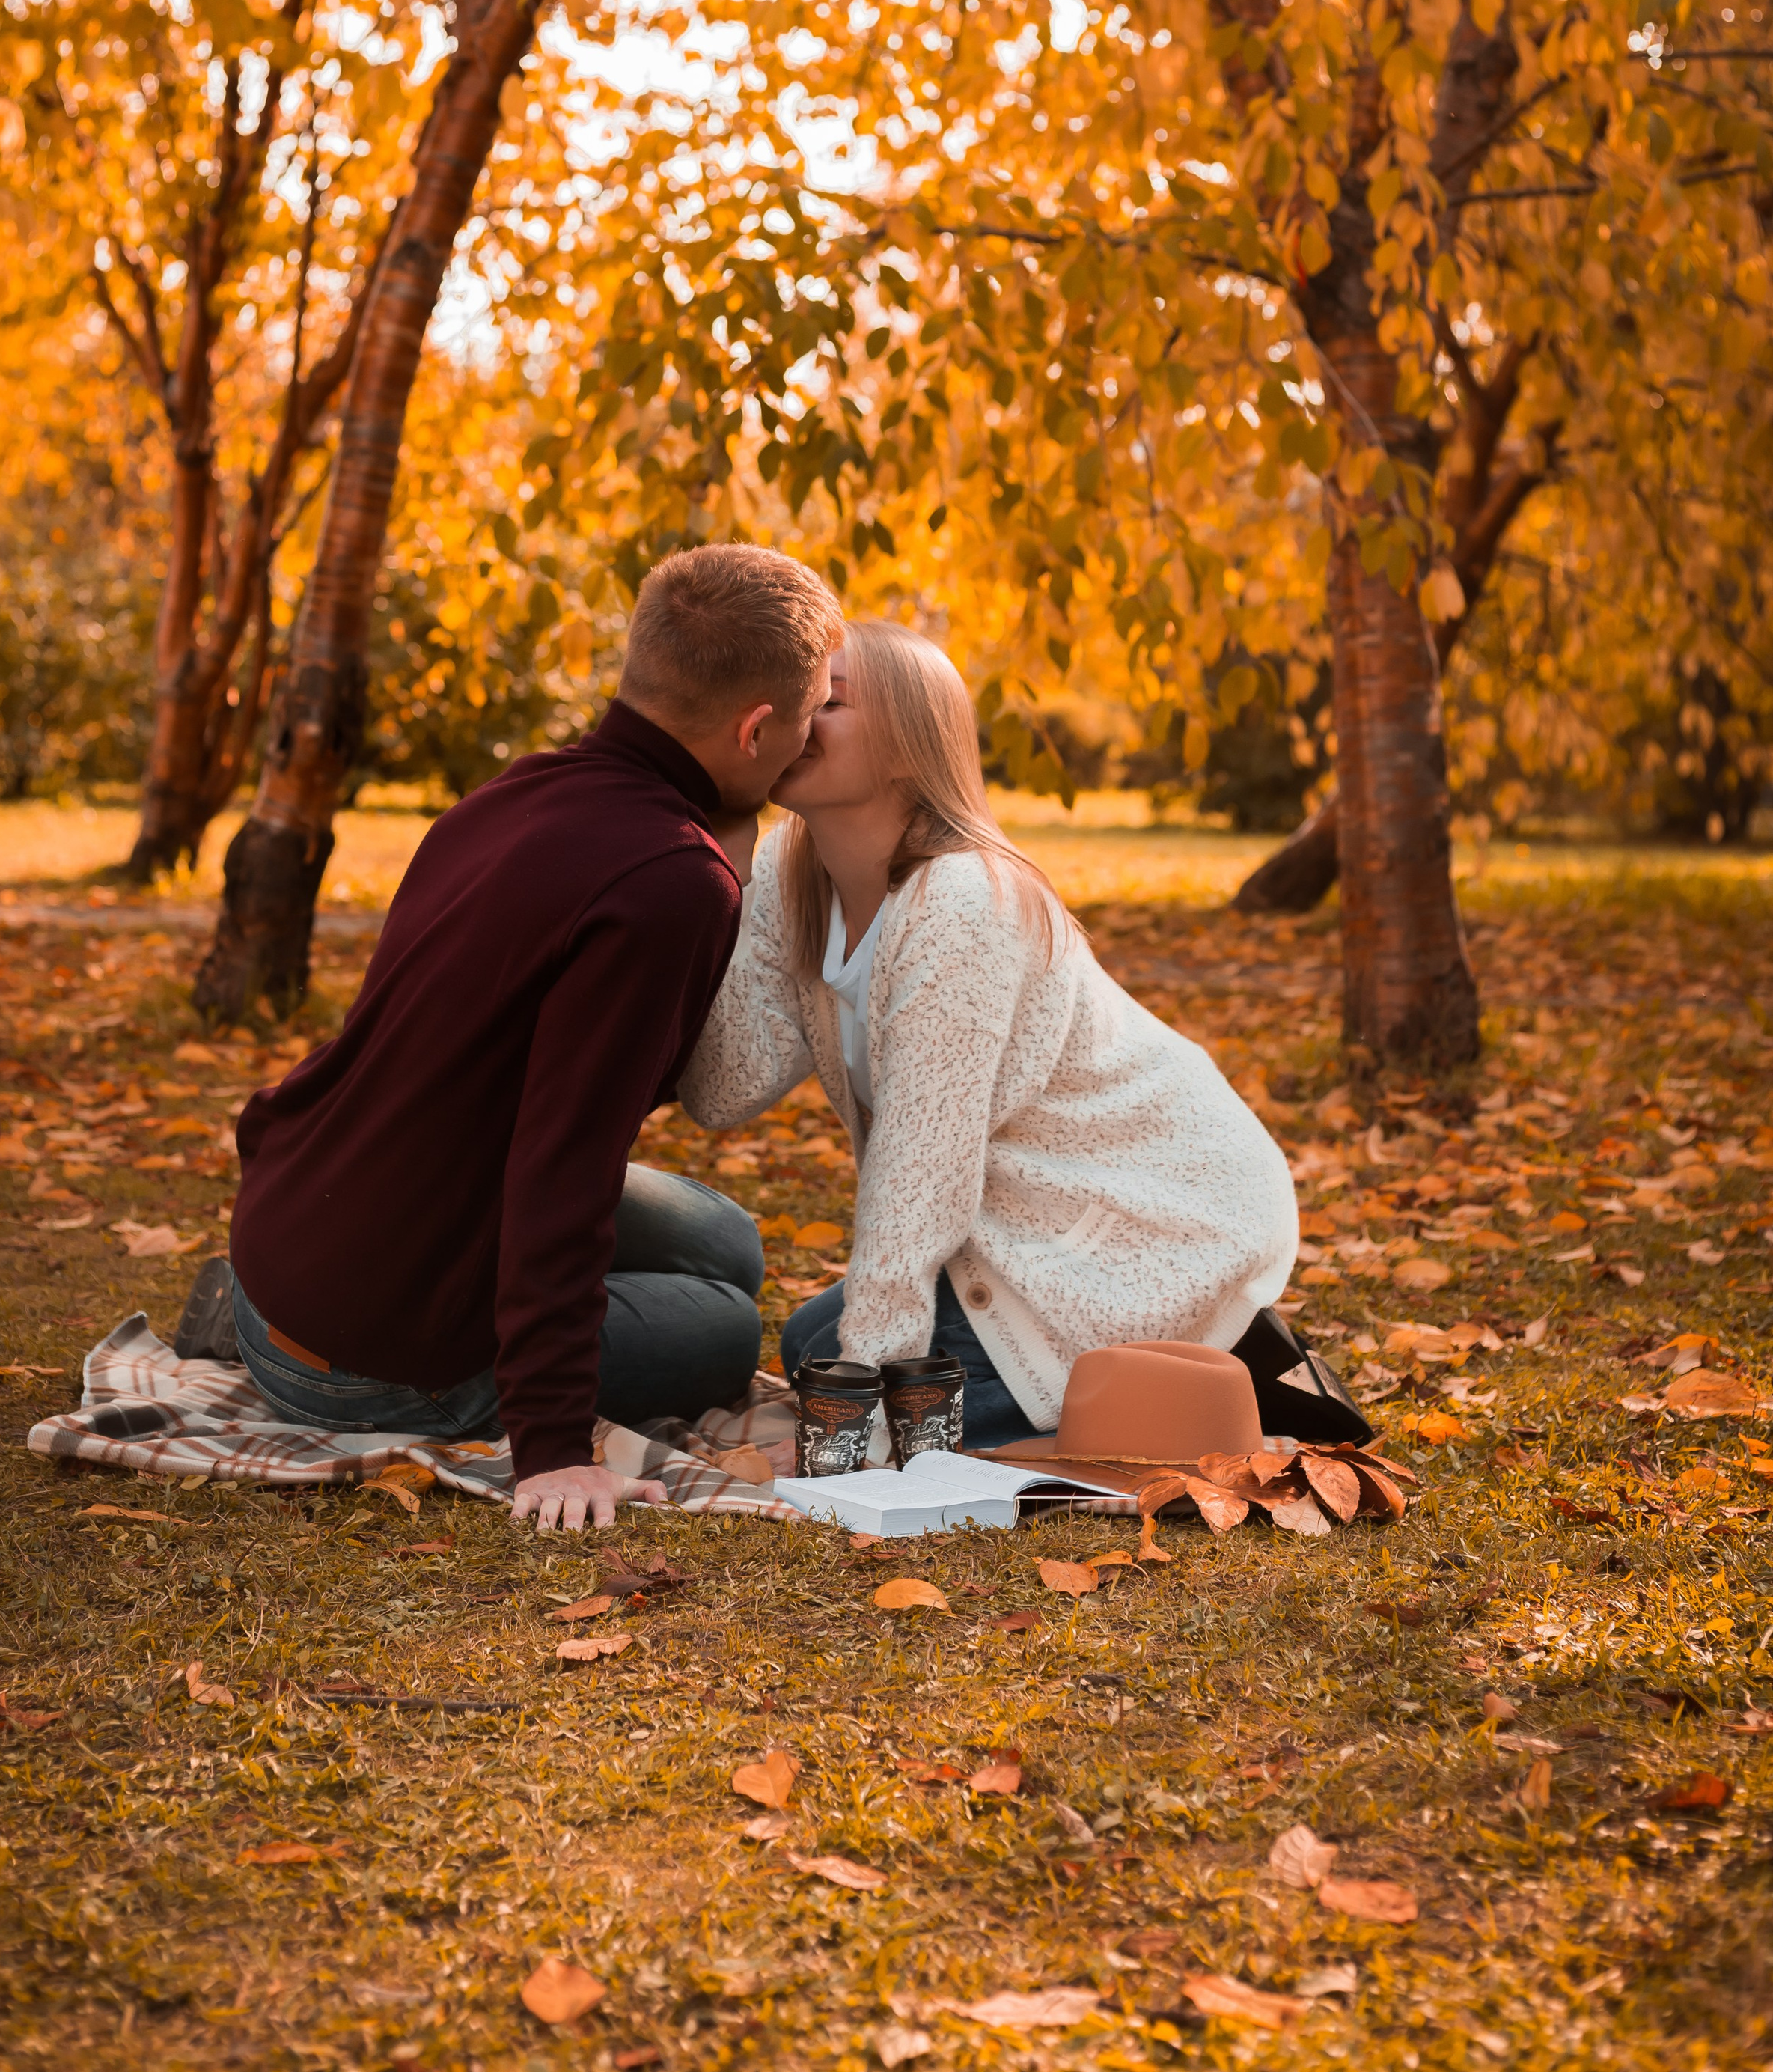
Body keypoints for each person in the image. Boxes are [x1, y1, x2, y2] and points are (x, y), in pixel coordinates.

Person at [218, 542, 843, 1530]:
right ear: (756, 727)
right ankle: (356, 1346)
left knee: (726, 1240)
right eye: (809, 718)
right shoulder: (671, 883)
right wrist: (551, 1446)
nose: (811, 742)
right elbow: (565, 1163)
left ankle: (286, 1302)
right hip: (375, 1361)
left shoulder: (523, 790)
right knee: (726, 1327)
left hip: (295, 1230)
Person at [681, 621, 1299, 1446]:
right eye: (796, 698)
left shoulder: (963, 902)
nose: (799, 715)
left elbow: (922, 1174)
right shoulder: (792, 873)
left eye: (830, 701)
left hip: (1151, 1218)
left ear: (910, 746)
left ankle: (1203, 1353)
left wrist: (865, 1413)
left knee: (858, 1377)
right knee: (809, 1344)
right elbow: (723, 1089)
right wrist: (722, 863)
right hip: (1014, 1228)